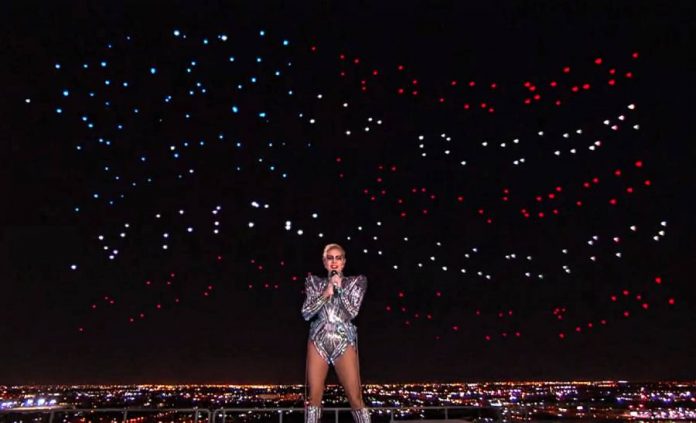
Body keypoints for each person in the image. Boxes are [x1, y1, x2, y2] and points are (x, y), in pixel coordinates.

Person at [302, 243, 370, 423]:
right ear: (324, 262)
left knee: (355, 397)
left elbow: (352, 312)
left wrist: (339, 289)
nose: (334, 262)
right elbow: (306, 313)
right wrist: (326, 292)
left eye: (338, 258)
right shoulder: (314, 282)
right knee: (314, 397)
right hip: (318, 339)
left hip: (343, 339)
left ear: (343, 262)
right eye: (330, 258)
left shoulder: (357, 282)